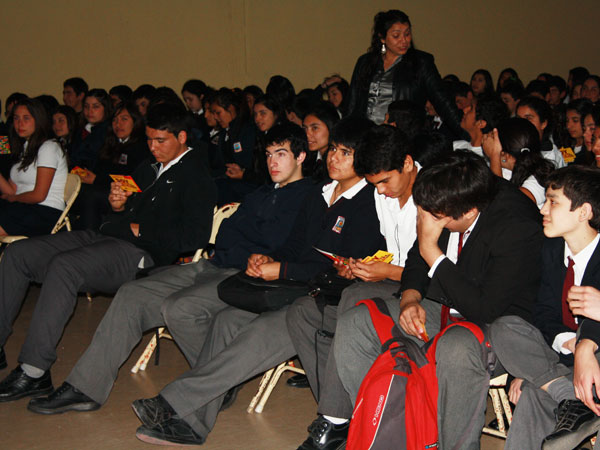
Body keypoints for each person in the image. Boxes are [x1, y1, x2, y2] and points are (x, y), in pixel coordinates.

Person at [127, 116, 384, 446]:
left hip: (322, 299)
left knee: (259, 332)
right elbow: (296, 246)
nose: (333, 158)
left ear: (362, 158)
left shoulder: (370, 204)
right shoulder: (321, 193)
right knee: (225, 320)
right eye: (333, 149)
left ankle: (172, 402)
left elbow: (343, 268)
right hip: (291, 286)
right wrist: (272, 261)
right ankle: (193, 423)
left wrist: (284, 269)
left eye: (345, 153)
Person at [25, 122, 313, 415]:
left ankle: (214, 385)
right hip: (215, 264)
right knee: (131, 293)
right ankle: (85, 387)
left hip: (248, 277)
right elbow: (226, 232)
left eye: (281, 154)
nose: (272, 162)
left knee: (179, 307)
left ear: (301, 156)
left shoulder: (310, 198)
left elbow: (282, 244)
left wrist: (256, 249)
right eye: (268, 155)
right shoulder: (259, 194)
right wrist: (247, 244)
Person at [0, 102, 216, 404]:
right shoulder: (149, 167)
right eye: (150, 140)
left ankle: (34, 371)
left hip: (141, 252)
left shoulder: (196, 176)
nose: (152, 147)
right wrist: (119, 204)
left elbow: (194, 236)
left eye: (160, 141)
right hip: (108, 235)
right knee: (18, 253)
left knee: (65, 266)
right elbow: (124, 209)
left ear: (181, 137)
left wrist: (143, 230)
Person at [334, 150, 543, 449]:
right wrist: (409, 299)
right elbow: (417, 259)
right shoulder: (446, 197)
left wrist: (433, 250)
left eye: (434, 218)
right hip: (444, 306)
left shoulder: (516, 226)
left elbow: (484, 308)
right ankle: (388, 431)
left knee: (455, 348)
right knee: (357, 322)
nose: (425, 220)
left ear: (469, 213)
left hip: (501, 326)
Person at [288, 124, 420, 449]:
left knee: (355, 301)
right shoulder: (382, 195)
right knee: (303, 312)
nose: (383, 192)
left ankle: (336, 421)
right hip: (391, 282)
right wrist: (362, 265)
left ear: (407, 163)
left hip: (422, 292)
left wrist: (387, 271)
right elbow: (390, 249)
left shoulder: (433, 197)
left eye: (386, 182)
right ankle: (346, 412)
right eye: (375, 185)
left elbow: (439, 272)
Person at [488, 166, 600, 449]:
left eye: (553, 202)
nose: (542, 210)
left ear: (583, 212)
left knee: (534, 393)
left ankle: (566, 396)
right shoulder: (551, 249)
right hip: (560, 358)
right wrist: (569, 343)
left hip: (596, 363)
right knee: (505, 327)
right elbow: (543, 313)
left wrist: (586, 346)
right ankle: (569, 398)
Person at [346, 9, 463, 138]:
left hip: (401, 135)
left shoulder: (421, 62)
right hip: (366, 136)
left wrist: (467, 134)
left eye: (407, 34)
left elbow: (443, 101)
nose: (404, 41)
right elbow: (352, 104)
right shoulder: (365, 62)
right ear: (382, 38)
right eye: (396, 36)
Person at [71, 101, 150, 230]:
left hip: (129, 197)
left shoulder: (142, 147)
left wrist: (96, 179)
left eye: (124, 119)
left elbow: (132, 180)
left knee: (91, 195)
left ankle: (88, 236)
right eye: (115, 120)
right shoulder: (110, 143)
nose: (118, 124)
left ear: (135, 122)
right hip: (105, 190)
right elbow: (100, 169)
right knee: (79, 190)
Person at [0, 98, 68, 236]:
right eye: (16, 118)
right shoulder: (24, 148)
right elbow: (12, 191)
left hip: (45, 211)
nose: (20, 123)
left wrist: (13, 199)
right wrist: (12, 198)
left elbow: (39, 195)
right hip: (23, 207)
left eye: (26, 118)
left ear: (38, 120)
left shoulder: (49, 147)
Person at [483, 117, 555, 209]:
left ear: (505, 155)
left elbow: (509, 205)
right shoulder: (503, 170)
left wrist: (494, 156)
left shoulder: (540, 176)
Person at [210, 88, 257, 204]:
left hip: (245, 186)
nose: (215, 117)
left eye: (218, 112)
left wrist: (242, 173)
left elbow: (249, 164)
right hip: (228, 182)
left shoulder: (247, 130)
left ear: (230, 108)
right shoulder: (224, 132)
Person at [69, 88, 113, 171]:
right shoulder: (80, 130)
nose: (90, 111)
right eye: (86, 106)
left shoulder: (109, 131)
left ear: (106, 108)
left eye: (95, 107)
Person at [516, 96, 566, 167]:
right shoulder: (514, 146)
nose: (522, 123)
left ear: (543, 123)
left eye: (528, 119)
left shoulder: (551, 155)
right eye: (519, 119)